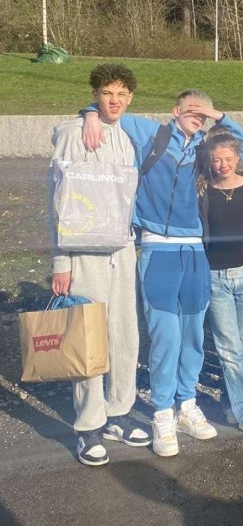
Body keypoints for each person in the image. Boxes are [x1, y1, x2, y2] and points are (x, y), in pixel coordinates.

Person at [81, 89, 243, 457]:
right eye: (191, 110)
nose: (197, 116)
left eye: (202, 113)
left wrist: (217, 115)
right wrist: (91, 114)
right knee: (166, 337)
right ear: (175, 110)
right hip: (158, 248)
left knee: (193, 336)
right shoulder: (152, 134)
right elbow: (111, 110)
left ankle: (186, 405)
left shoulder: (206, 148)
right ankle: (162, 413)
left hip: (195, 252)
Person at [49, 63, 149, 466]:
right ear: (94, 95)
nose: (115, 100)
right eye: (107, 93)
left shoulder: (126, 137)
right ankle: (88, 426)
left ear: (131, 98)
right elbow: (57, 203)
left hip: (121, 252)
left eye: (122, 94)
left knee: (124, 334)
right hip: (84, 254)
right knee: (88, 336)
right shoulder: (74, 134)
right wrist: (61, 261)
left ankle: (117, 412)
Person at [197, 131, 243, 439]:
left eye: (228, 158)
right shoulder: (203, 191)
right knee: (229, 351)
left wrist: (217, 116)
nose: (223, 165)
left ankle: (229, 401)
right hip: (216, 278)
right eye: (216, 160)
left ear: (238, 158)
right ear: (208, 161)